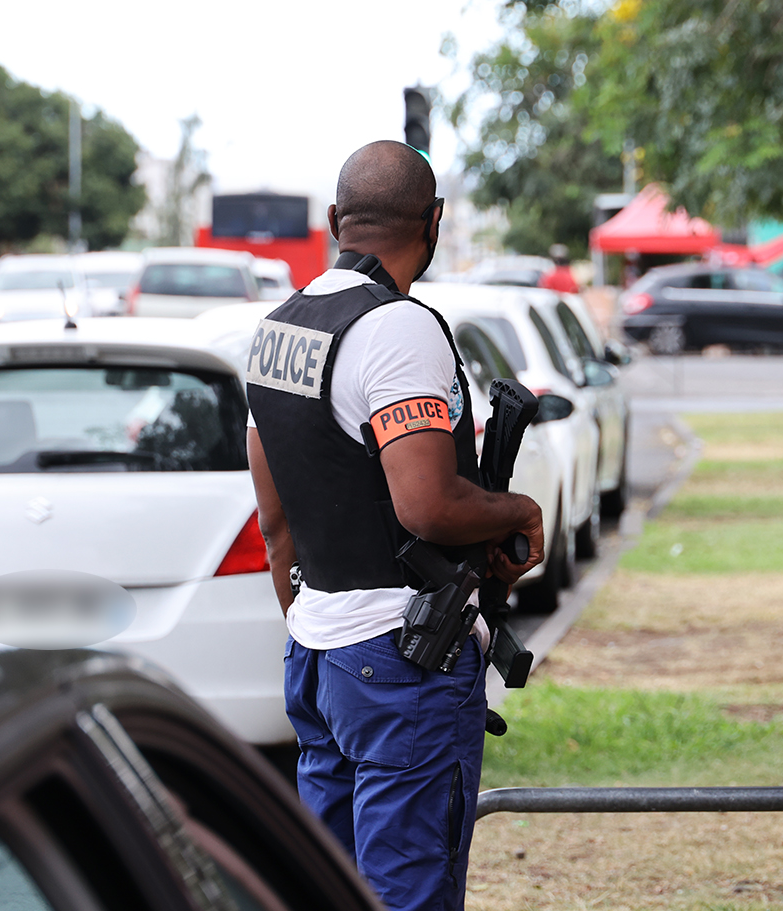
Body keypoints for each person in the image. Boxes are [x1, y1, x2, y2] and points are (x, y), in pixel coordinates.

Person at [245, 140, 544, 911]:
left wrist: (317, 627)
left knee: (333, 889)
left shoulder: (278, 328)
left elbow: (275, 522)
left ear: (337, 220)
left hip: (318, 652)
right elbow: (428, 505)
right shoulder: (398, 328)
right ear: (435, 221)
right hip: (398, 662)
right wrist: (517, 510)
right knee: (409, 895)